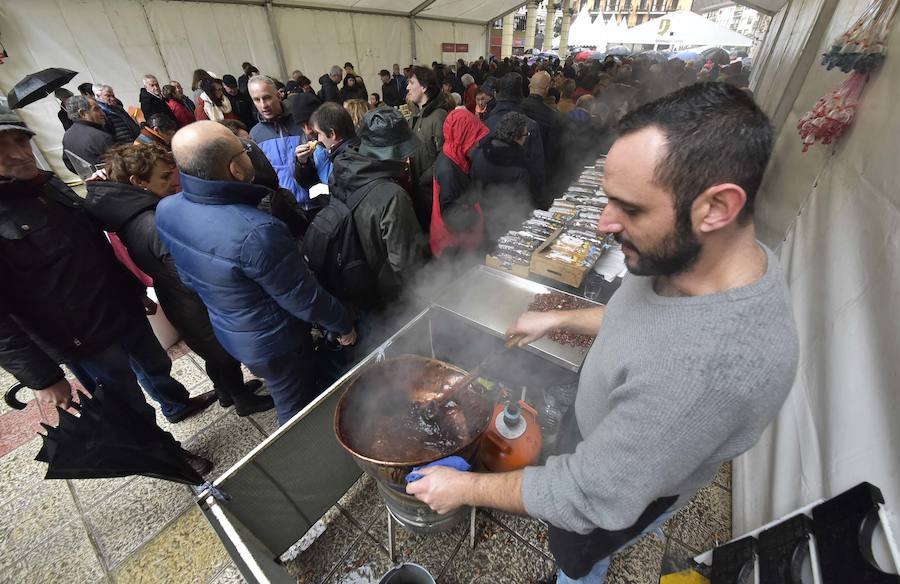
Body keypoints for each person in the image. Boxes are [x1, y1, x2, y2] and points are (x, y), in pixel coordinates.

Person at [407, 83, 799, 584]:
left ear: (717, 207)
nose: (603, 224)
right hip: (601, 441)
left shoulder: (711, 371)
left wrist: (463, 490)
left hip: (616, 497)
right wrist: (560, 317)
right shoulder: (692, 257)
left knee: (579, 556)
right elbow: (642, 322)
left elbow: (589, 494)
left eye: (630, 209)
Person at [0, 107, 216, 476]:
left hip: (118, 307)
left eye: (20, 141)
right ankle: (166, 456)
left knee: (155, 364)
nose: (19, 153)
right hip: (82, 337)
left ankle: (176, 405)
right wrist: (42, 377)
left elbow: (93, 244)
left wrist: (134, 289)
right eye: (1, 148)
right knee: (125, 402)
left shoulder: (47, 185)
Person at [155, 121, 357, 425]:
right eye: (245, 151)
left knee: (284, 391)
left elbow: (187, 277)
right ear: (235, 168)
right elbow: (302, 297)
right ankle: (305, 460)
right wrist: (342, 325)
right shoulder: (257, 230)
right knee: (295, 407)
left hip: (230, 329)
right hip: (276, 343)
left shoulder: (167, 209)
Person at [84, 143, 274, 416]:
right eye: (163, 177)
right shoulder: (153, 220)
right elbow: (187, 272)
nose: (174, 181)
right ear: (139, 182)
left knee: (209, 349)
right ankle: (242, 398)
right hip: (190, 299)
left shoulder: (128, 211)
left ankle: (225, 392)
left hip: (173, 295)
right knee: (222, 351)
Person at [314, 105, 427, 305]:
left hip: (353, 283)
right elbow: (406, 264)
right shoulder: (393, 196)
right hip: (385, 298)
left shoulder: (341, 167)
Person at [248, 75, 315, 208]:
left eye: (267, 97)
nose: (263, 105)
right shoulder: (255, 134)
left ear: (278, 95)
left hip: (316, 202)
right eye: (257, 99)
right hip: (286, 207)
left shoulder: (302, 122)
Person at [470, 112, 537, 244]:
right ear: (517, 137)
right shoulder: (521, 164)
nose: (526, 138)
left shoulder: (480, 152)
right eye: (525, 135)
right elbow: (523, 201)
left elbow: (472, 183)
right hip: (508, 224)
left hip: (481, 218)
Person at [430, 108, 489, 258]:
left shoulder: (455, 155)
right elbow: (451, 214)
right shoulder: (448, 169)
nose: (477, 144)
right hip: (451, 246)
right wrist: (477, 215)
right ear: (463, 138)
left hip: (460, 241)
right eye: (473, 139)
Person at [484, 73, 546, 207]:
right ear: (521, 95)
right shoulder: (530, 125)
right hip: (519, 201)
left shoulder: (486, 123)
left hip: (488, 200)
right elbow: (537, 168)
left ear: (496, 94)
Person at [407, 65, 453, 231]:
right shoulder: (416, 114)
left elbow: (445, 156)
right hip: (419, 189)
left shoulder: (438, 116)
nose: (408, 87)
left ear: (424, 86)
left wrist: (424, 179)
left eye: (411, 82)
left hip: (431, 190)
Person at [62, 96, 114, 174]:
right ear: (83, 113)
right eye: (96, 109)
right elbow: (119, 165)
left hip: (92, 183)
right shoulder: (101, 137)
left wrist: (88, 175)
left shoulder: (67, 136)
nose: (102, 113)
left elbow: (69, 164)